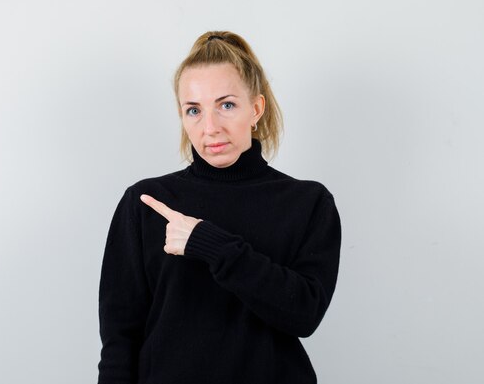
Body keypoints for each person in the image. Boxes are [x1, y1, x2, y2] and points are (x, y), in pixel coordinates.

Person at [97, 31, 341, 384]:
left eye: (226, 105)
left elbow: (304, 314)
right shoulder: (148, 202)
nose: (210, 128)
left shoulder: (307, 202)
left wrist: (209, 243)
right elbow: (119, 338)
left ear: (255, 109)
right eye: (193, 110)